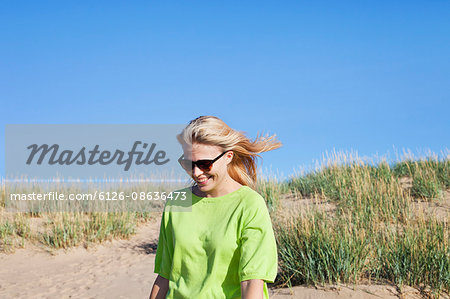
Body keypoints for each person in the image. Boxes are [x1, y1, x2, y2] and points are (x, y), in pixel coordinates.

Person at [149, 116, 282, 299]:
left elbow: (252, 281)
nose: (196, 173)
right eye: (189, 164)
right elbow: (165, 275)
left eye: (205, 164)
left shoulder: (249, 204)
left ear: (228, 156)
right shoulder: (176, 202)